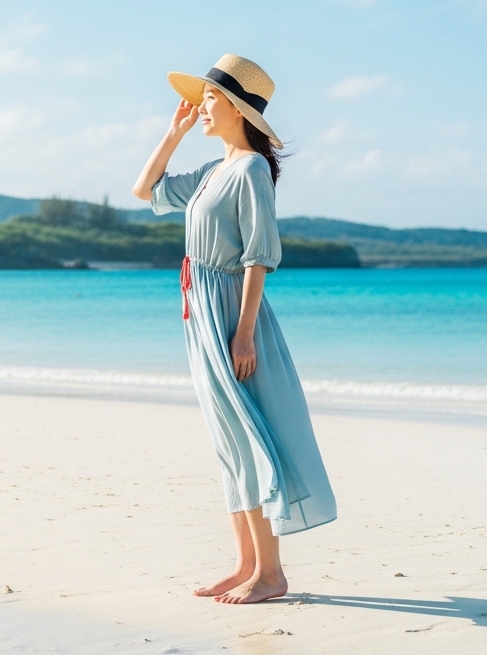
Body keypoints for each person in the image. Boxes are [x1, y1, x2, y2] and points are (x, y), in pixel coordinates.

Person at [131, 54, 337, 604]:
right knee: (229, 440)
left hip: (229, 317)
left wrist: (243, 334)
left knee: (250, 436)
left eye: (210, 99)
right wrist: (172, 135)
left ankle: (271, 574)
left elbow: (258, 257)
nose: (201, 107)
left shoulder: (250, 171)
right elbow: (145, 191)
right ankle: (246, 564)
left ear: (239, 109)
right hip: (201, 314)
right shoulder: (213, 171)